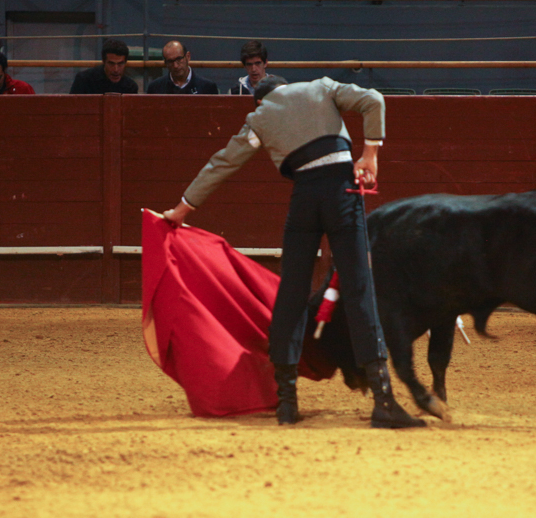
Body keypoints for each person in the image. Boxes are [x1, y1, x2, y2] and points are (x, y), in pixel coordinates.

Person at [163, 76, 425, 429]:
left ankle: (287, 403)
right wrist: (369, 154)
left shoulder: (260, 117)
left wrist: (182, 210)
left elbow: (223, 162)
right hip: (341, 191)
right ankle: (384, 402)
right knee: (359, 288)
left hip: (304, 198)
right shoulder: (321, 87)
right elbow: (374, 99)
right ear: (285, 86)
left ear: (259, 101)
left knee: (291, 293)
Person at [146, 40, 219, 94]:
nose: (175, 66)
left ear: (188, 56)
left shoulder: (207, 87)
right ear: (165, 63)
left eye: (179, 59)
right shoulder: (155, 88)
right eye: (170, 61)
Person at [70, 39, 138, 94]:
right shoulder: (84, 80)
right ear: (104, 61)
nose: (116, 69)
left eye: (120, 64)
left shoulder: (130, 87)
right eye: (111, 64)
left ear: (125, 63)